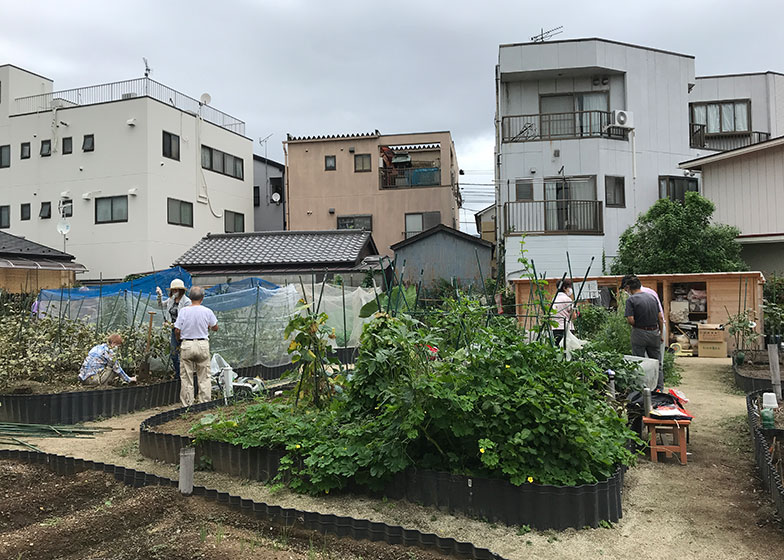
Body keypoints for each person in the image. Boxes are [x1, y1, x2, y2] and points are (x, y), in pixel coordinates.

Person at [174, 286, 218, 407]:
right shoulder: (207, 311)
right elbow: (215, 327)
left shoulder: (183, 311)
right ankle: (204, 404)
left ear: (190, 297)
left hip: (187, 344)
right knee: (204, 376)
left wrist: (179, 340)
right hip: (202, 344)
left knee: (186, 377)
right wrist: (209, 327)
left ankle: (188, 405)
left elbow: (177, 330)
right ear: (202, 298)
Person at [624, 277, 665, 391]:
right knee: (657, 362)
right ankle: (659, 388)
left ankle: (640, 390)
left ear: (629, 288)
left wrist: (639, 324)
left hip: (639, 332)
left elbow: (630, 320)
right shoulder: (652, 297)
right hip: (654, 332)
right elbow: (660, 317)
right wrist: (661, 333)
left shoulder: (631, 300)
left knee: (638, 362)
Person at [156, 279, 191, 378]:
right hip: (174, 330)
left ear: (181, 290)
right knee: (173, 353)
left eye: (177, 289)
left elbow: (186, 318)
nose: (175, 292)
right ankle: (178, 374)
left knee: (185, 354)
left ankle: (186, 374)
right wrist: (159, 295)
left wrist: (174, 325)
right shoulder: (171, 300)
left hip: (184, 331)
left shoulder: (187, 302)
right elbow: (160, 305)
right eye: (173, 290)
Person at [552, 279, 576, 346]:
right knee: (568, 350)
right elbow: (573, 316)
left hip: (555, 328)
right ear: (564, 288)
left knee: (558, 348)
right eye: (569, 287)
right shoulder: (567, 299)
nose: (570, 290)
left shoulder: (554, 299)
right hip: (567, 327)